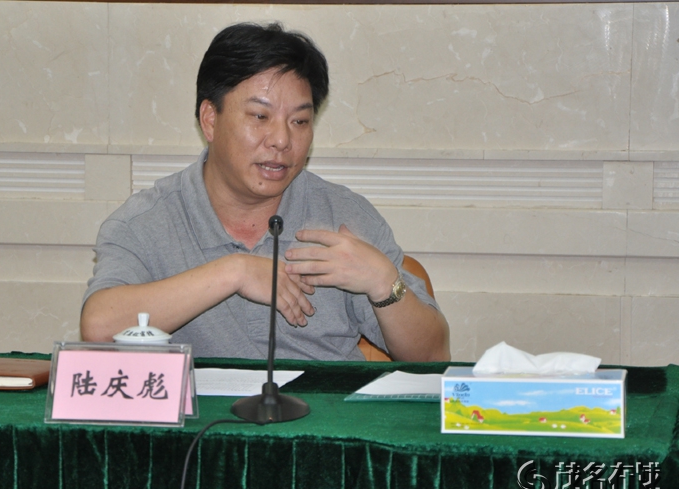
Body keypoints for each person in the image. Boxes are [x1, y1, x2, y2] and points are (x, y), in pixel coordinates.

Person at [80, 22, 449, 362]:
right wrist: (235, 272)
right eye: (260, 117)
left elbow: (434, 359)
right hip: (199, 415)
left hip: (319, 411)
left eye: (299, 121)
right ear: (210, 120)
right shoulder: (146, 222)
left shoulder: (343, 217)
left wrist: (384, 282)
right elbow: (98, 328)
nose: (282, 140)